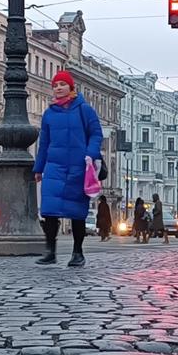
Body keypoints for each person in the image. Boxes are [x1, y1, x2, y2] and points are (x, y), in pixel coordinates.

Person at [33, 70, 103, 267]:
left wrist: (90, 153)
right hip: (54, 166)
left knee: (77, 212)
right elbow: (44, 143)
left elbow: (96, 134)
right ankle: (50, 252)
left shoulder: (84, 110)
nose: (58, 88)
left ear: (71, 88)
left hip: (79, 166)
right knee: (49, 211)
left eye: (62, 84)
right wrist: (39, 168)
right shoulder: (48, 114)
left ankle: (77, 252)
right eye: (55, 85)